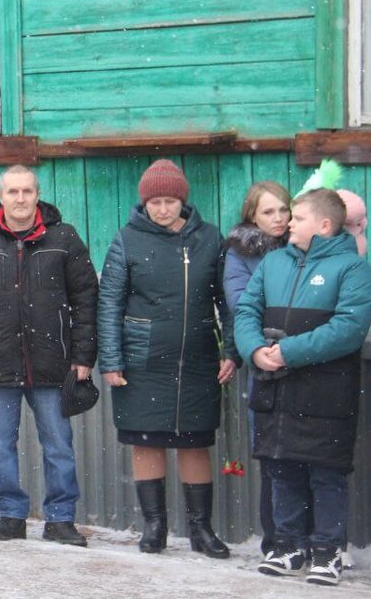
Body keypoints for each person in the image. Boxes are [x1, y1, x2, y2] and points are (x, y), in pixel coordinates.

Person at [0, 165, 98, 546]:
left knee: (58, 443)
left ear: (37, 194)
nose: (20, 198)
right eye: (12, 191)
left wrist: (83, 355)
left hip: (53, 362)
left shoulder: (64, 238)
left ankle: (61, 519)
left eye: (26, 191)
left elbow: (86, 299)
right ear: (0, 195)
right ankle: (11, 514)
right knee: (0, 443)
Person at [97, 159, 237, 559]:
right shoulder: (127, 239)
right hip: (142, 360)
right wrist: (111, 359)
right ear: (145, 203)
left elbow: (227, 301)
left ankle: (200, 529)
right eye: (155, 201)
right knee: (147, 441)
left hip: (196, 359)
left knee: (194, 443)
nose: (163, 209)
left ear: (183, 201)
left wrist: (231, 348)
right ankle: (155, 526)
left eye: (170, 201)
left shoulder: (210, 238)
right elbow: (110, 303)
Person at [235, 188, 371, 586]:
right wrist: (255, 349)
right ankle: (288, 544)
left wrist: (287, 351)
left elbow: (348, 329)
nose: (288, 223)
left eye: (298, 217)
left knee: (326, 472)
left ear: (324, 225)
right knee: (281, 467)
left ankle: (327, 551)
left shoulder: (352, 268)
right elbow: (246, 309)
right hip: (274, 386)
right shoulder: (274, 262)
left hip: (326, 390)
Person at [221, 180, 290, 555]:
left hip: (306, 360)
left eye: (283, 209)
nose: (278, 218)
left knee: (308, 453)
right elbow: (242, 303)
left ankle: (315, 537)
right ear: (252, 216)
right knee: (271, 452)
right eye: (268, 211)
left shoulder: (306, 245)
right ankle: (276, 536)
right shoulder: (241, 253)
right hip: (263, 360)